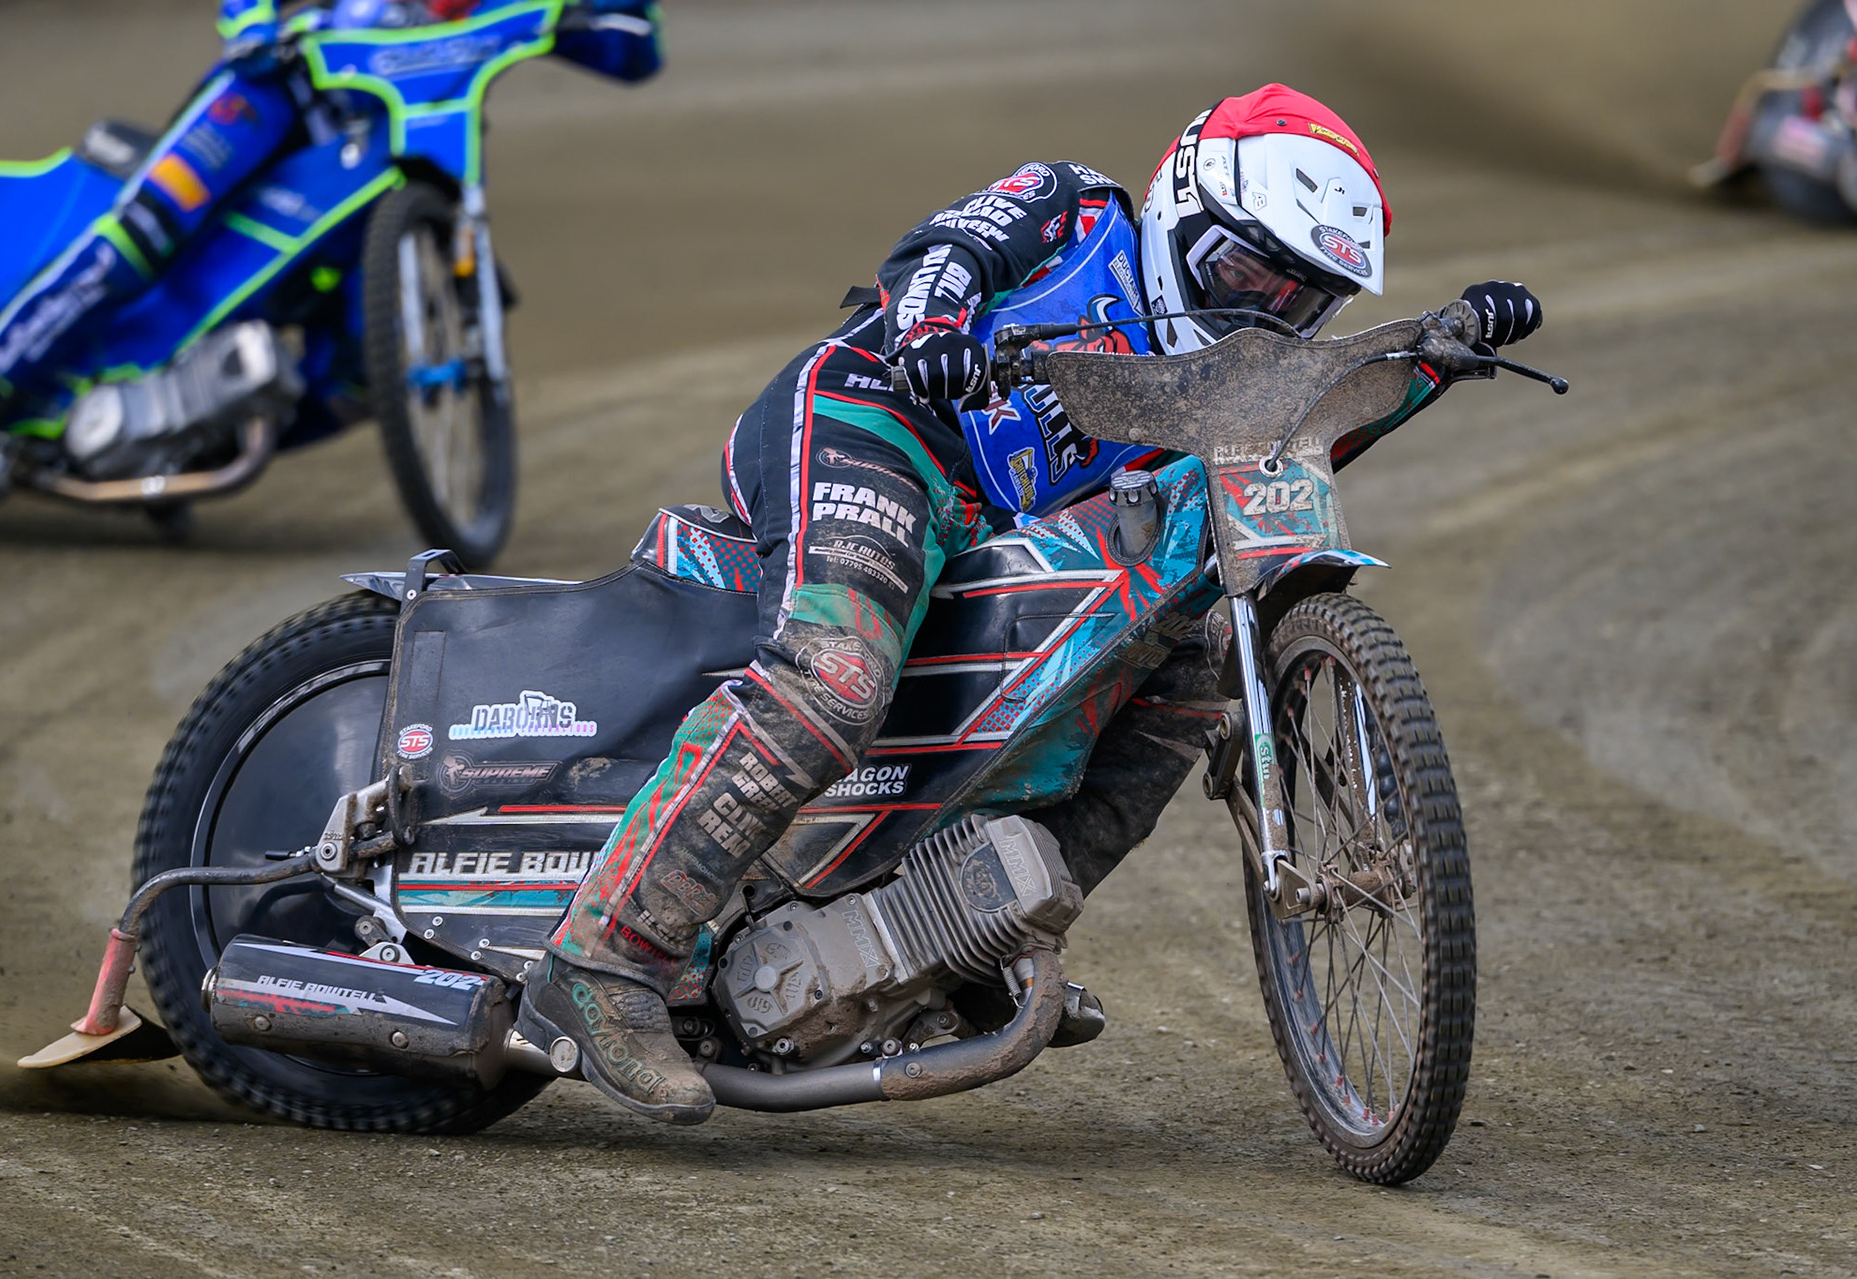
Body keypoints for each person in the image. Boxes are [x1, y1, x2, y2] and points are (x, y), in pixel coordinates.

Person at [515, 84, 1546, 1124]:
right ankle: (603, 958)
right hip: (887, 424)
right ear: (1183, 206)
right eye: (1244, 271)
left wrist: (1445, 349)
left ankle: (957, 939)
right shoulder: (1074, 208)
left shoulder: (1218, 379)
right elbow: (939, 257)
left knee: (1171, 681)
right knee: (837, 676)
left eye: (1299, 302)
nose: (1260, 313)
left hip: (1006, 524)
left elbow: (1307, 427)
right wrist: (937, 330)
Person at [0, 0, 664, 497]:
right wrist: (253, 24)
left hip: (397, 152)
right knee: (148, 225)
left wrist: (604, 16)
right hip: (276, 88)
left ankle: (192, 439)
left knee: (362, 359)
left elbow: (634, 49)